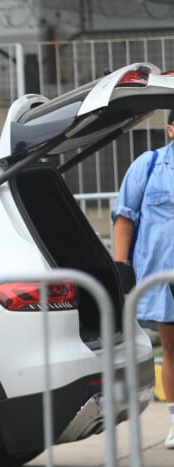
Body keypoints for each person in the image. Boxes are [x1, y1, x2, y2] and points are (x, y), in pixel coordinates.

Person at [112, 109, 174, 449]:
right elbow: (125, 218)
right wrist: (121, 266)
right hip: (161, 278)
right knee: (171, 349)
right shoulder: (148, 166)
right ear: (170, 129)